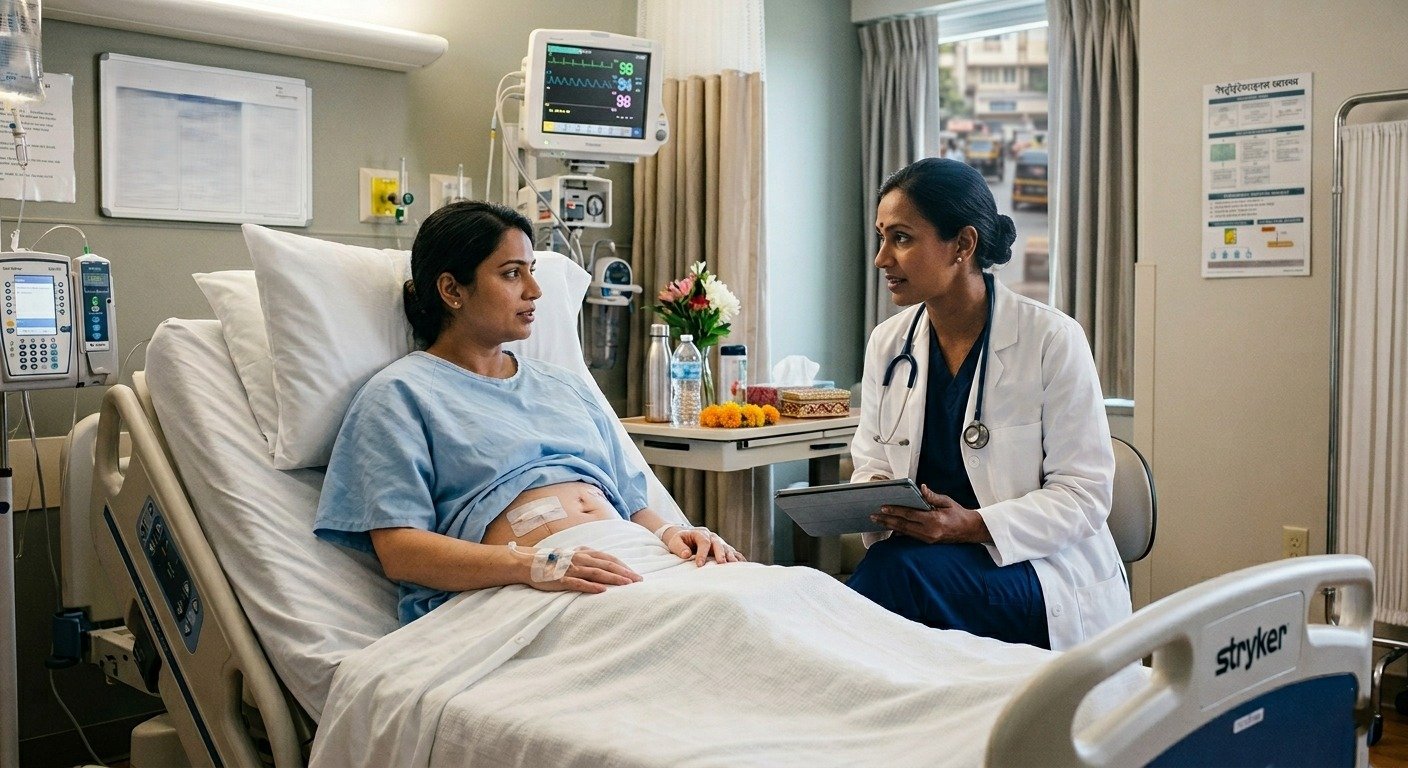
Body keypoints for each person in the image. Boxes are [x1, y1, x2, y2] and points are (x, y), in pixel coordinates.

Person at [313, 201, 743, 624]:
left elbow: (631, 505)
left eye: (532, 271)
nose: (534, 291)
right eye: (511, 273)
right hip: (518, 590)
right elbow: (400, 552)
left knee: (752, 603)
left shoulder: (565, 386)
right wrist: (536, 565)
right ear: (452, 290)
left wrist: (672, 533)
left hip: (629, 560)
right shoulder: (399, 396)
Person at [847, 158, 1129, 651]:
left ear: (963, 244)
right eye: (881, 237)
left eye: (902, 238)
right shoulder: (889, 345)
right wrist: (878, 501)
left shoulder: (1051, 339)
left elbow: (1084, 496)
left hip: (1035, 570)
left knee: (890, 583)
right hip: (922, 561)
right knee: (891, 576)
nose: (882, 259)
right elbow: (871, 464)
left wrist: (971, 526)